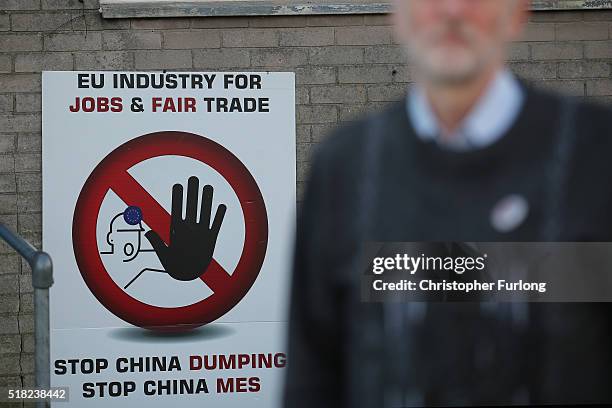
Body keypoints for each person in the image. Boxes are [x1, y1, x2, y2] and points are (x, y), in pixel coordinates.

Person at [284, 0, 612, 406]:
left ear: (518, 12)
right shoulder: (343, 169)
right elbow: (311, 378)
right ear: (396, 13)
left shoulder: (596, 154)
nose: (453, 9)